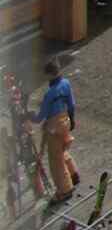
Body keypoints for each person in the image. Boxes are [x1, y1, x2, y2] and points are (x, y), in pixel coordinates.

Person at [28, 60, 78, 203]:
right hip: (65, 120)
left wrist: (31, 116)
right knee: (63, 150)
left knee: (56, 160)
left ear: (49, 74)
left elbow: (41, 116)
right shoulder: (66, 83)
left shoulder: (50, 94)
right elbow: (71, 104)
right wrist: (72, 119)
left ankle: (65, 189)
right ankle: (74, 174)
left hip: (54, 127)